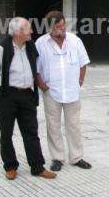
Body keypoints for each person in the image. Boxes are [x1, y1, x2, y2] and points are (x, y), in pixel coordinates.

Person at [0, 17, 56, 180]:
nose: (32, 31)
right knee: (6, 133)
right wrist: (3, 88)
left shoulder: (30, 47)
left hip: (27, 95)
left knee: (31, 132)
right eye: (29, 28)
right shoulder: (0, 50)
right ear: (18, 32)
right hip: (7, 96)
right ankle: (10, 167)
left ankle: (37, 167)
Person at [35, 11, 91, 172]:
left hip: (72, 92)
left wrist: (79, 82)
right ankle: (57, 158)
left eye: (63, 25)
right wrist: (42, 86)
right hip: (51, 92)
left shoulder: (75, 41)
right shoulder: (41, 43)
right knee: (53, 125)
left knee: (74, 125)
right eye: (58, 27)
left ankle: (77, 157)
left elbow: (83, 63)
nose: (62, 29)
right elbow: (36, 69)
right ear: (50, 28)